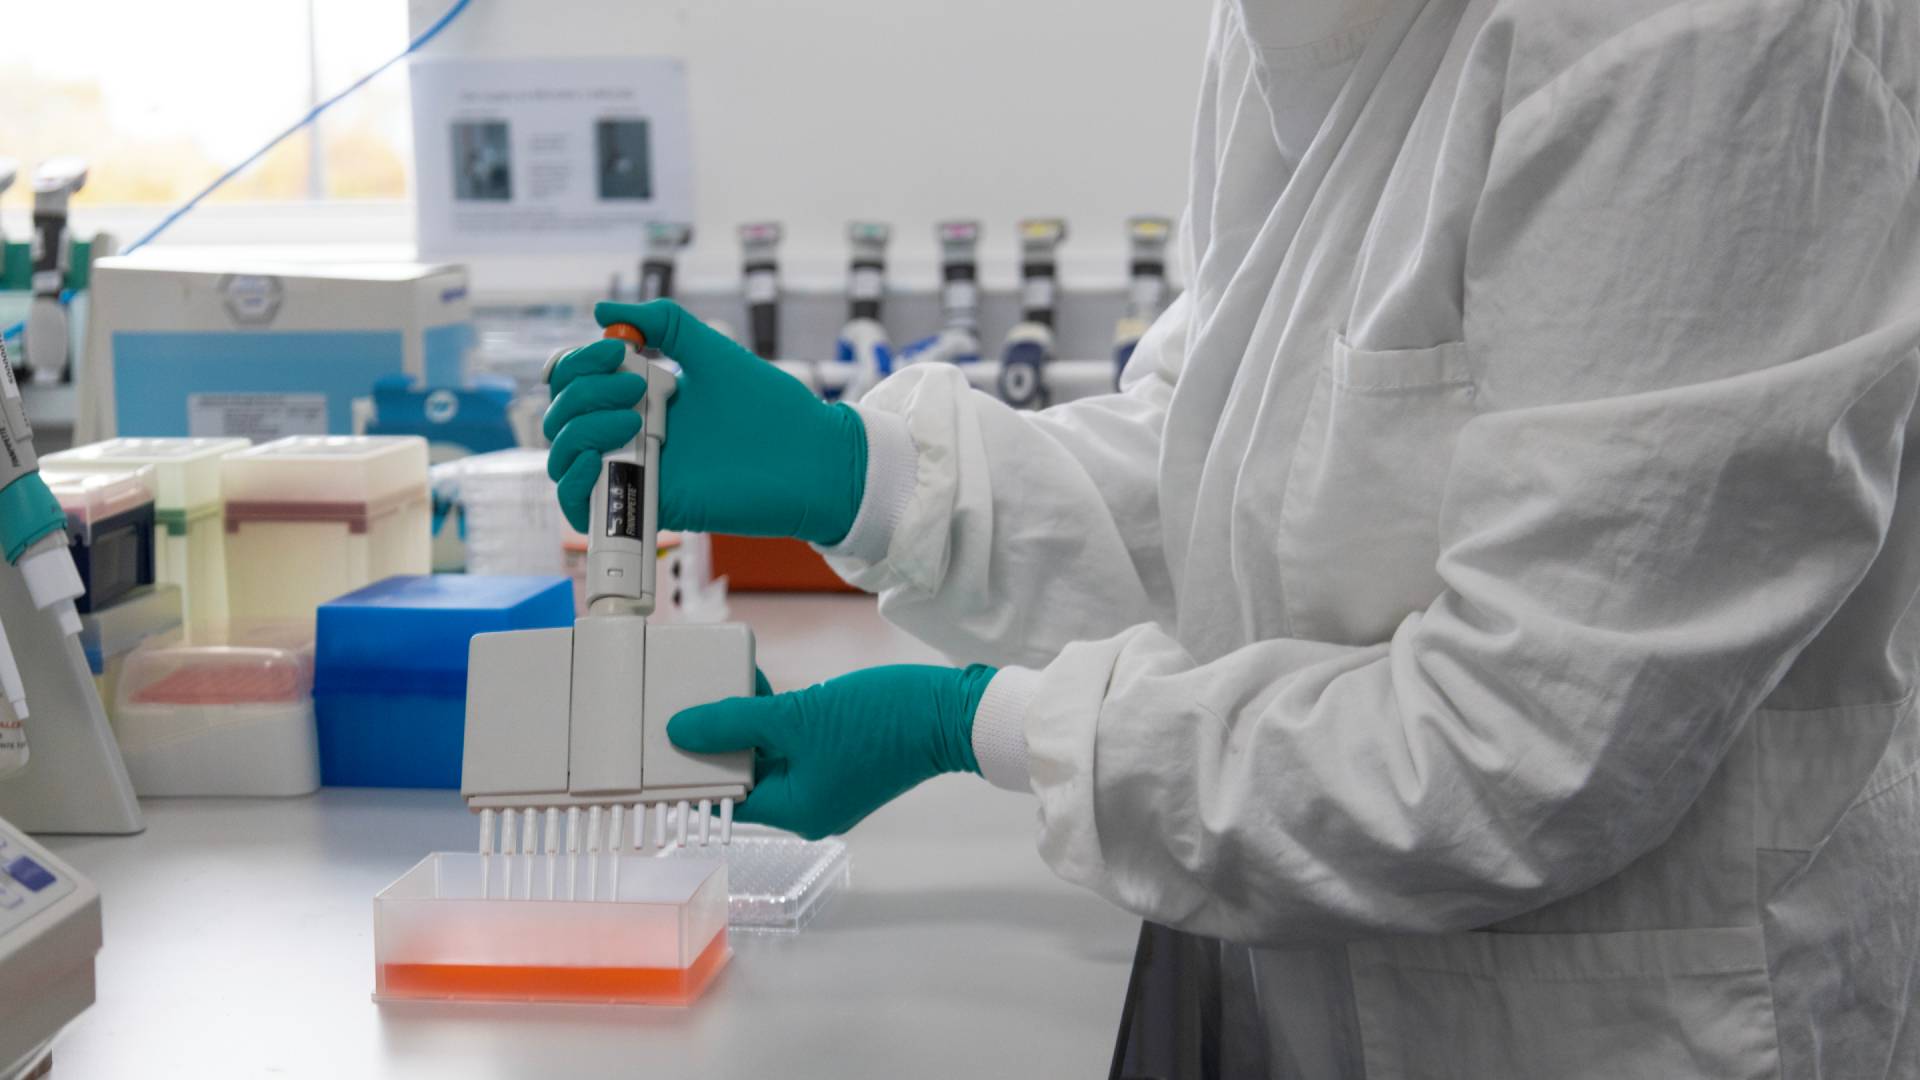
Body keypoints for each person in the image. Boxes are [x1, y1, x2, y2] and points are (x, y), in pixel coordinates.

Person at [544, 0, 1920, 1074]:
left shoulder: (1704, 40)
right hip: (1333, 981)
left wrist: (974, 726)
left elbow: (1520, 742)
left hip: (1625, 1025)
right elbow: (1240, 480)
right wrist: (863, 474)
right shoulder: (1296, 32)